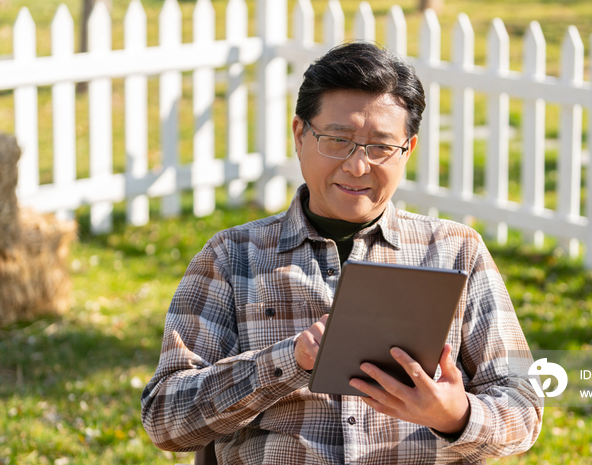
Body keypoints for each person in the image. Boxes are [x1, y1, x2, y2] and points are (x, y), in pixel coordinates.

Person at [141, 42, 542, 465]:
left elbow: (524, 405)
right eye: (338, 140)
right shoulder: (231, 257)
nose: (357, 166)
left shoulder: (456, 251)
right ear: (300, 134)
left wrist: (454, 415)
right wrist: (289, 360)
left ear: (409, 150)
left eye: (381, 147)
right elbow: (165, 418)